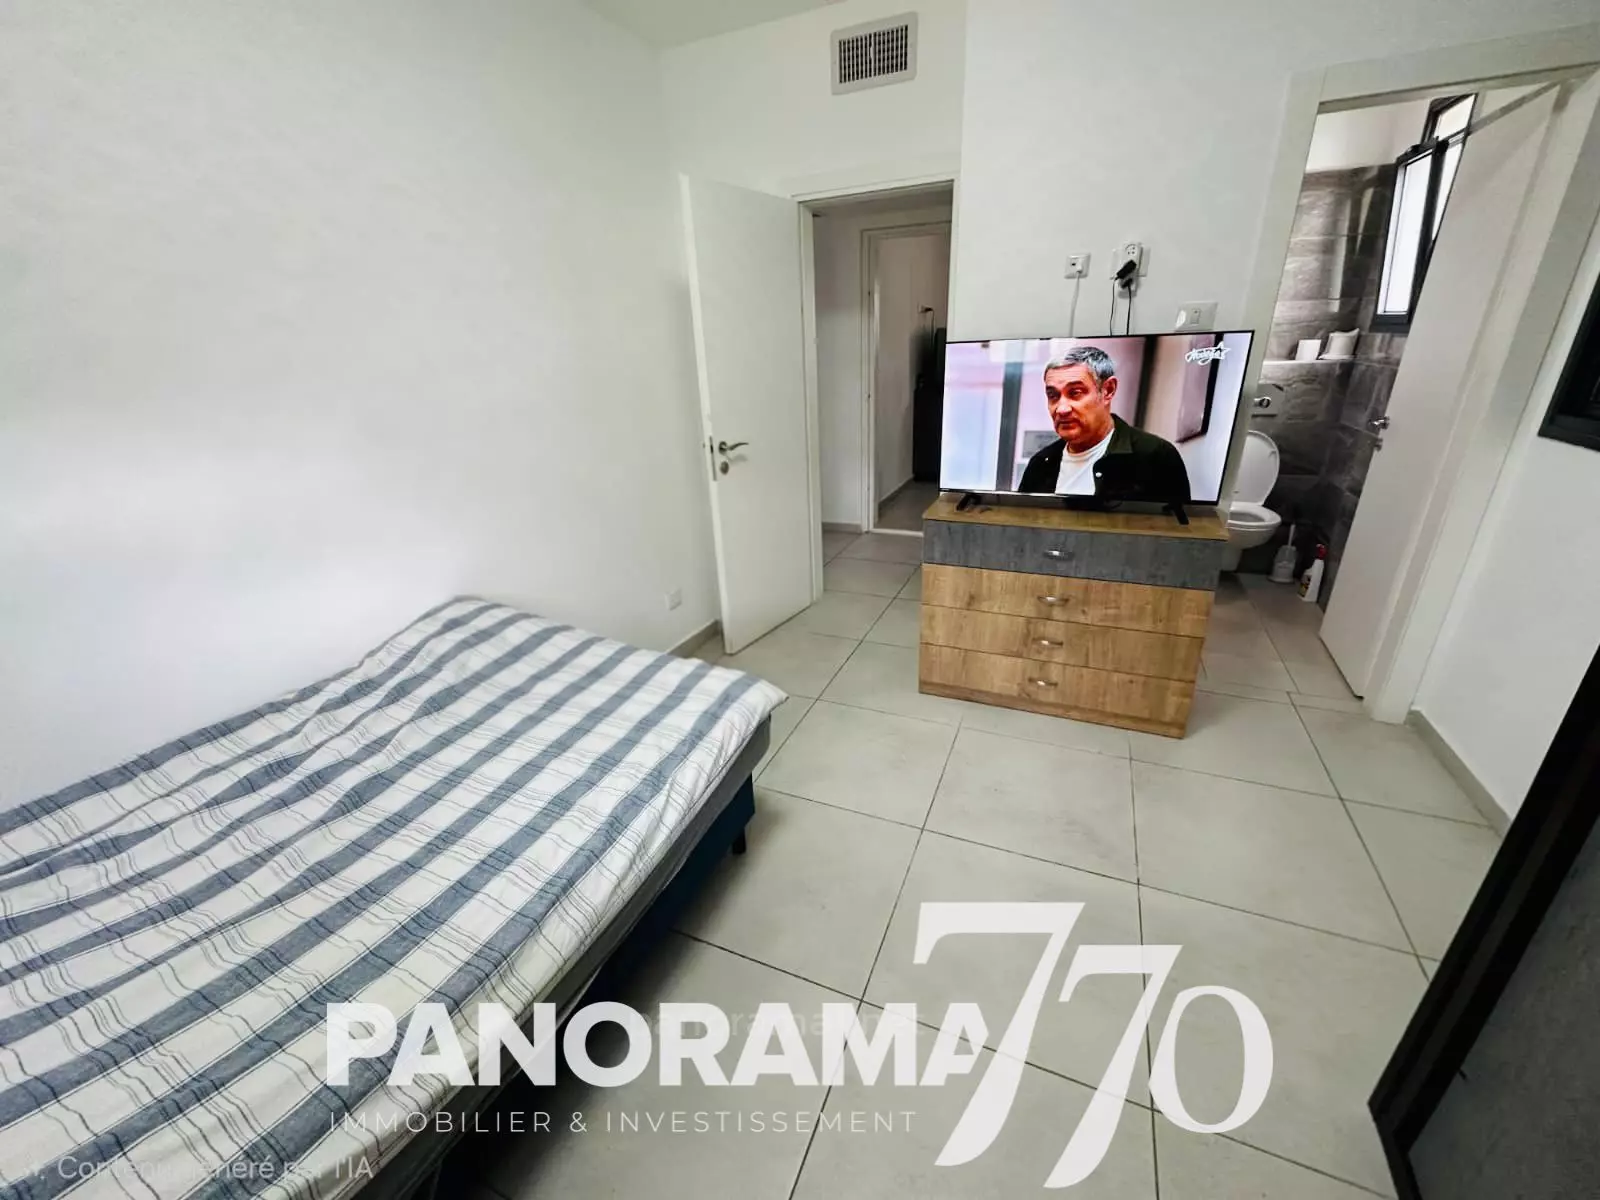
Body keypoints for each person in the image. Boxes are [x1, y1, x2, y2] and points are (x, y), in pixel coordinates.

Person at [1017, 345, 1191, 502]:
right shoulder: (1040, 464)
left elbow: (1175, 527)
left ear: (1108, 390)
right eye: (1053, 396)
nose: (1062, 409)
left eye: (1075, 393)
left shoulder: (1155, 457)